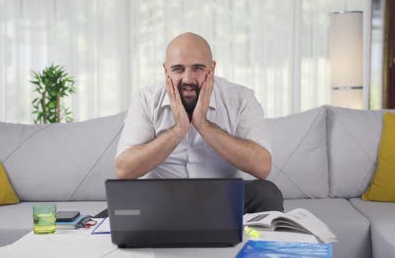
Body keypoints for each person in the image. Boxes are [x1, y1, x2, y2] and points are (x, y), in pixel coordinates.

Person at [97, 32, 283, 218]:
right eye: (178, 69)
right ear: (166, 70)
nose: (188, 79)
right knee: (99, 223)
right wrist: (178, 130)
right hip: (159, 199)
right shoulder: (146, 98)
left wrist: (203, 125)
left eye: (197, 68)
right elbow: (124, 170)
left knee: (266, 193)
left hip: (222, 198)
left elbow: (262, 167)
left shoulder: (241, 98)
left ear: (212, 68)